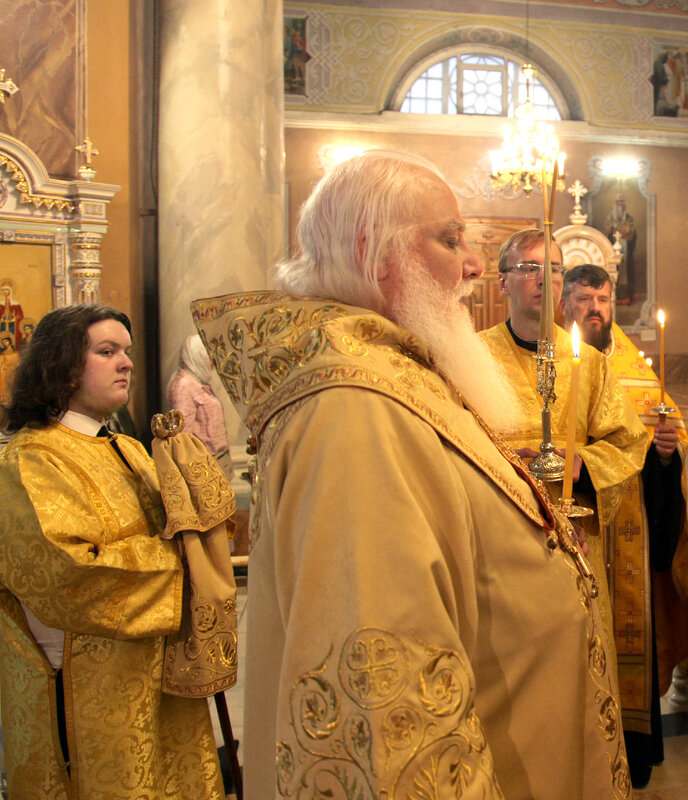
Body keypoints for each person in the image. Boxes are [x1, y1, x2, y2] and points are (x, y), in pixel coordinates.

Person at [192, 152, 630, 799]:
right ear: (376, 254)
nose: (473, 266)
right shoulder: (355, 413)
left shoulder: (388, 381)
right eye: (450, 240)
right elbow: (385, 709)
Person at [0, 305, 223, 800]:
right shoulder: (31, 458)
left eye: (127, 351)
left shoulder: (129, 448)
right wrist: (187, 560)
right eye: (107, 352)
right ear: (62, 364)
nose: (126, 362)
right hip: (86, 685)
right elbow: (70, 573)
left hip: (155, 674)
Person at [560, 264, 688, 788]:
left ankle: (635, 746)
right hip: (578, 527)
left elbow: (672, 440)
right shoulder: (550, 363)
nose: (596, 307)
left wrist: (666, 455)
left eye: (603, 297)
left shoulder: (639, 374)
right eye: (584, 298)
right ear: (565, 302)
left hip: (634, 537)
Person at [479, 231, 648, 635]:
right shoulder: (474, 356)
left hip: (573, 537)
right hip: (496, 532)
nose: (544, 278)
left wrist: (582, 463)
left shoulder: (588, 362)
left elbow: (628, 441)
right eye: (528, 268)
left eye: (554, 269)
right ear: (503, 281)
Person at [166, 333, 232, 480]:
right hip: (202, 468)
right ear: (198, 355)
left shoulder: (198, 382)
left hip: (215, 461)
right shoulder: (184, 386)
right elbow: (183, 436)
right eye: (210, 356)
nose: (213, 362)